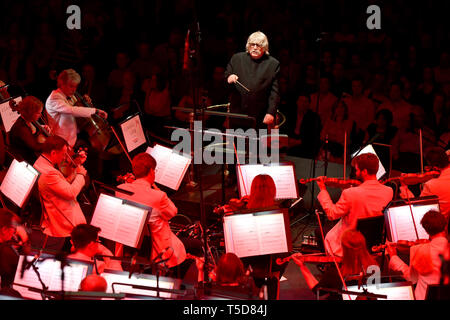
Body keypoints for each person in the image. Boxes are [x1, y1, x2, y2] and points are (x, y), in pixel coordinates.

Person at [115, 153, 187, 272]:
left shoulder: (120, 189)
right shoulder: (159, 196)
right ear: (152, 171)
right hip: (157, 251)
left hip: (127, 247)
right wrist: (154, 186)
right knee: (195, 245)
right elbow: (173, 212)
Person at [316, 153, 393, 257]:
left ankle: (332, 266)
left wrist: (323, 189)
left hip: (350, 244)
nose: (356, 173)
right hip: (374, 244)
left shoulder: (351, 193)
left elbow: (332, 214)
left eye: (357, 170)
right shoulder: (389, 191)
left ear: (364, 171)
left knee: (319, 231)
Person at [33, 136, 88, 250]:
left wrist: (76, 170)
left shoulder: (40, 162)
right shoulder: (49, 173)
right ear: (53, 153)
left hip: (56, 206)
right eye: (63, 154)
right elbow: (71, 192)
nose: (64, 158)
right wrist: (81, 175)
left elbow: (62, 185)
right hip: (62, 217)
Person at [293, 230, 379, 300]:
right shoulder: (374, 267)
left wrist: (302, 266)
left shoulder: (336, 272)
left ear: (343, 249)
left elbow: (317, 290)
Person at [387, 210, 449, 300]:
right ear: (445, 227)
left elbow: (412, 278)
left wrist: (394, 257)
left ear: (426, 230)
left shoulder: (419, 250)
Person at [224, 31, 280, 128]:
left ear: (264, 47)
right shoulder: (237, 58)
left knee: (257, 143)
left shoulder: (273, 64)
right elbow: (225, 78)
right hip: (238, 113)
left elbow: (275, 92)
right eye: (252, 44)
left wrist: (271, 112)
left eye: (258, 45)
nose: (254, 48)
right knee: (238, 143)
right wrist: (229, 78)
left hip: (260, 116)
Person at [45, 68, 107, 148]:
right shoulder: (54, 98)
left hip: (72, 140)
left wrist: (86, 103)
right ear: (62, 84)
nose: (74, 90)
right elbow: (71, 110)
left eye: (76, 86)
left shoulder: (72, 96)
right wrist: (95, 111)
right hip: (60, 142)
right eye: (71, 86)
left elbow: (79, 115)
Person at [9, 96, 48, 164]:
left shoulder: (29, 119)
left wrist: (43, 128)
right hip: (26, 160)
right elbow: (35, 147)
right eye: (38, 113)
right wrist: (50, 144)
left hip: (32, 154)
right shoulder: (21, 128)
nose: (40, 115)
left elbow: (34, 132)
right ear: (30, 113)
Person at [0, 209, 29, 298]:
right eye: (14, 228)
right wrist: (25, 241)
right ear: (4, 229)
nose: (15, 232)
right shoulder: (6, 252)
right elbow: (24, 267)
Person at [420, 148, 450, 221]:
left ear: (435, 167)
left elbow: (419, 207)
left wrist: (404, 189)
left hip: (441, 226)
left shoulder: (430, 185)